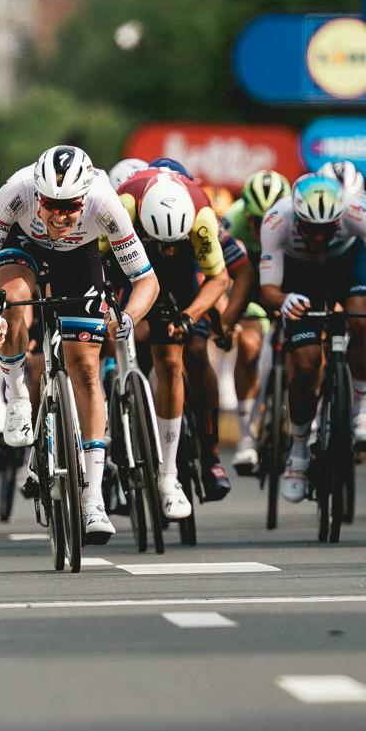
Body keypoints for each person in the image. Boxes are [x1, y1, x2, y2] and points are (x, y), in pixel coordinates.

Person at [0, 145, 160, 539]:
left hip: (80, 258)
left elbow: (146, 280)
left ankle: (93, 501)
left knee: (85, 367)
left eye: (70, 206)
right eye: (51, 204)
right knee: (14, 301)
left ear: (85, 198)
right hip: (22, 246)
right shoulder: (15, 192)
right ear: (37, 194)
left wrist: (128, 316)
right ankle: (17, 392)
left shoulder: (104, 203)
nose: (60, 215)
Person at [255, 172, 366, 503]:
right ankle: (298, 453)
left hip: (347, 262)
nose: (317, 236)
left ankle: (360, 412)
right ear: (296, 216)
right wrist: (283, 300)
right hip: (300, 274)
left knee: (361, 320)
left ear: (340, 216)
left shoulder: (357, 213)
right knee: (305, 364)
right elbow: (268, 288)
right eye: (309, 228)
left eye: (326, 228)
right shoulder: (277, 220)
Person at [115, 168, 233, 519]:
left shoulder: (201, 217)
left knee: (173, 359)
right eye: (161, 243)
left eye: (173, 243)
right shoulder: (124, 206)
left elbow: (218, 278)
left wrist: (191, 315)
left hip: (181, 276)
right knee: (125, 333)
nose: (167, 250)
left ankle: (170, 476)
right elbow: (99, 264)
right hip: (129, 260)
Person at [221, 168, 291, 474]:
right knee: (248, 347)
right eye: (257, 221)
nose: (264, 227)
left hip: (290, 276)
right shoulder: (233, 218)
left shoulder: (297, 216)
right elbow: (219, 274)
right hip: (250, 281)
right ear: (246, 213)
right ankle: (246, 437)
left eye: (270, 219)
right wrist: (226, 317)